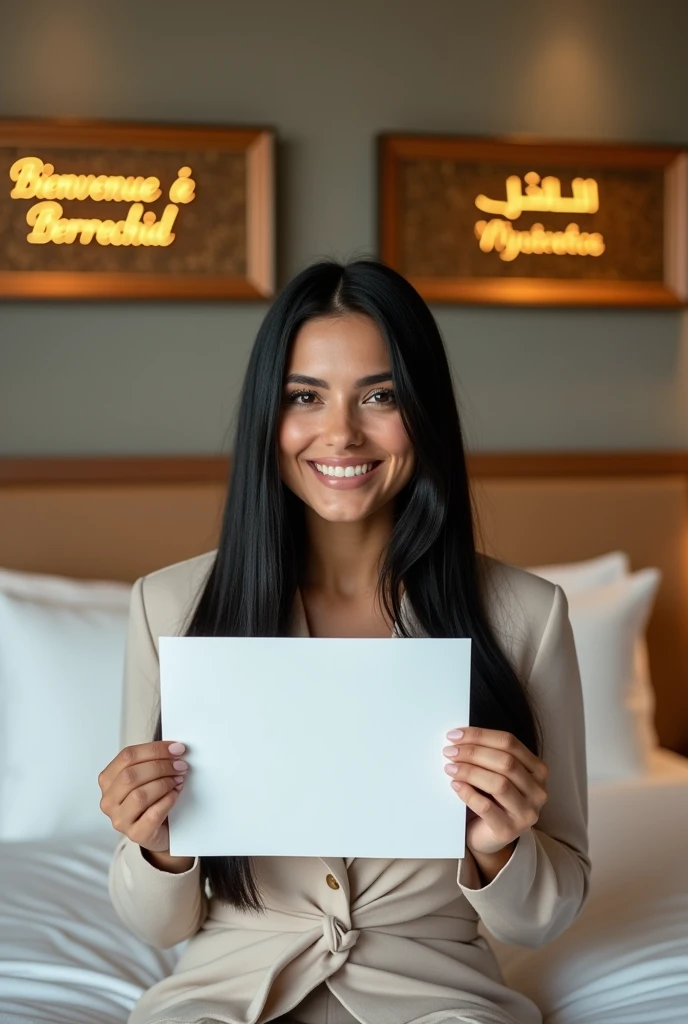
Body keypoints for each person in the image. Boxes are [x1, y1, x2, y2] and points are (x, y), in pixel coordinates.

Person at [99, 257, 590, 1024]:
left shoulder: (528, 614)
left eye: (381, 396)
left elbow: (542, 917)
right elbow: (158, 924)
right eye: (306, 396)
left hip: (438, 1000)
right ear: (272, 414)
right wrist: (157, 847)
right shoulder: (168, 606)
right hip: (224, 998)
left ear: (423, 412)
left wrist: (498, 844)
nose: (341, 433)